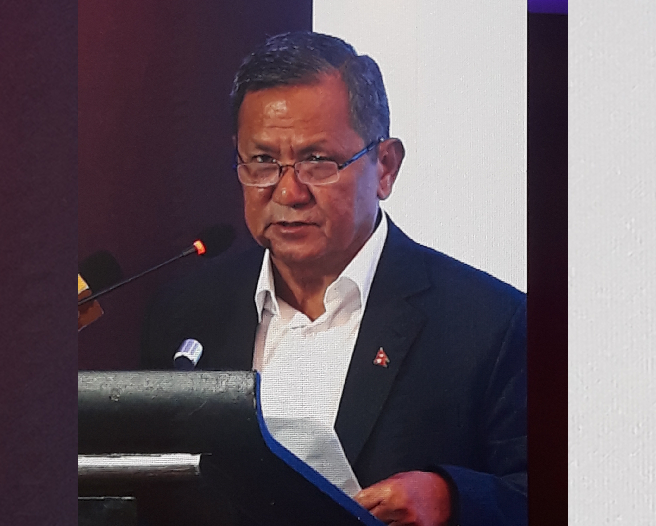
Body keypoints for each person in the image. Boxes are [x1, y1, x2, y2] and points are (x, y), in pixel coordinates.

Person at [142, 31, 526, 526]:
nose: (288, 192)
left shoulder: (488, 323)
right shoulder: (186, 313)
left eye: (317, 161)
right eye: (263, 161)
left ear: (385, 167)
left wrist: (452, 499)